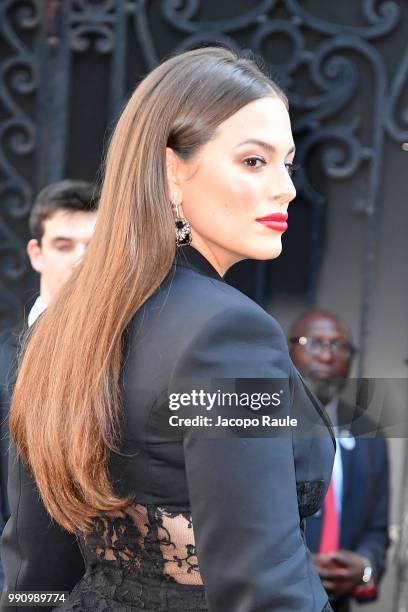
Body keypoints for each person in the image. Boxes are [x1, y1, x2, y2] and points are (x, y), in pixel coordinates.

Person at [1, 47, 335, 612]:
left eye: (288, 163)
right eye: (255, 161)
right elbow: (264, 587)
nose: (287, 189)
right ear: (170, 171)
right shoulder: (231, 334)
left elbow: (37, 575)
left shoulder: (66, 323)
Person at [0, 180, 99, 591]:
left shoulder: (136, 350)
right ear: (36, 254)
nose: (80, 259)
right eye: (64, 245)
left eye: (93, 245)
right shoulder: (3, 359)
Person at [289, 309, 389, 612]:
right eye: (313, 342)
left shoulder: (368, 431)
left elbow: (377, 528)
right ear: (288, 349)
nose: (327, 356)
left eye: (339, 346)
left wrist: (364, 567)